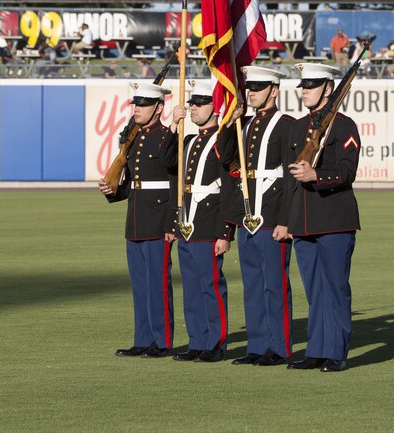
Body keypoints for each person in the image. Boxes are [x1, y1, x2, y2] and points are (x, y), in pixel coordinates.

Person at [278, 62, 361, 373]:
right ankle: (316, 350)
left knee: (335, 288)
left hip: (334, 219)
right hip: (303, 221)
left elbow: (348, 171)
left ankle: (336, 352)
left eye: (312, 85)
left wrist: (317, 175)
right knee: (314, 291)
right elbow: (288, 182)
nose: (305, 91)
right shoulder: (297, 128)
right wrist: (286, 221)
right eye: (302, 86)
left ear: (329, 89)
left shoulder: (344, 126)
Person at [98, 81, 177, 359]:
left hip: (158, 221)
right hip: (135, 220)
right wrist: (113, 190)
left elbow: (174, 183)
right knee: (140, 286)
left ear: (158, 108)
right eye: (136, 105)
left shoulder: (167, 137)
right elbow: (133, 183)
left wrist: (171, 224)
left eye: (143, 105)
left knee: (158, 284)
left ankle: (162, 341)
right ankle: (143, 339)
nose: (138, 110)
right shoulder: (132, 140)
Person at [230, 65, 295, 366]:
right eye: (250, 88)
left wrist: (285, 220)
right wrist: (229, 125)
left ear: (274, 90)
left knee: (275, 285)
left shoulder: (287, 124)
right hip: (248, 217)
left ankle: (278, 348)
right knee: (253, 285)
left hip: (271, 215)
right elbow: (228, 162)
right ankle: (257, 345)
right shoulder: (245, 124)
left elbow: (290, 179)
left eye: (258, 87)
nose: (252, 92)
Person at [168, 77, 236, 363]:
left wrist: (224, 232)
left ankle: (215, 343)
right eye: (191, 104)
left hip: (209, 222)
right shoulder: (188, 140)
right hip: (187, 224)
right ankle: (197, 341)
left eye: (199, 103)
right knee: (192, 287)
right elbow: (165, 162)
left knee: (210, 286)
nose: (193, 108)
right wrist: (173, 124)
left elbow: (229, 186)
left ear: (215, 106)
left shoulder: (221, 141)